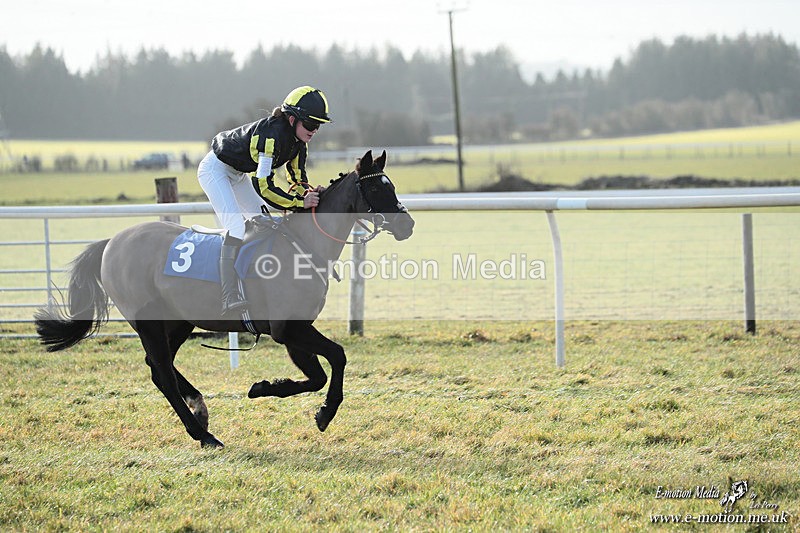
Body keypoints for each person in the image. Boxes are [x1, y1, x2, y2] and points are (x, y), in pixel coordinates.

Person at [197, 86, 332, 317]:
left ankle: (255, 283)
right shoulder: (271, 137)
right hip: (215, 170)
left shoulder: (300, 143)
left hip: (237, 173)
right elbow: (264, 186)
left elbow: (297, 179)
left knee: (263, 222)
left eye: (318, 125)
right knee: (237, 228)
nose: (314, 130)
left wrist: (307, 194)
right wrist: (299, 203)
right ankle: (229, 295)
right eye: (310, 125)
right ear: (292, 119)